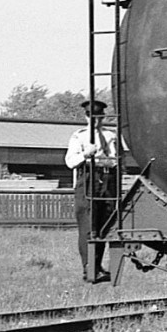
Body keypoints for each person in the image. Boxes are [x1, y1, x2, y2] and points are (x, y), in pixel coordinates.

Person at [65, 100, 120, 282]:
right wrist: (85, 154)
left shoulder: (111, 135)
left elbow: (118, 158)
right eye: (91, 116)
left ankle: (98, 266)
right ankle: (89, 267)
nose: (95, 120)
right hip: (89, 178)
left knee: (105, 224)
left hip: (108, 178)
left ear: (103, 117)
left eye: (98, 117)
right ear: (86, 116)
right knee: (88, 225)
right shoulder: (79, 136)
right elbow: (70, 161)